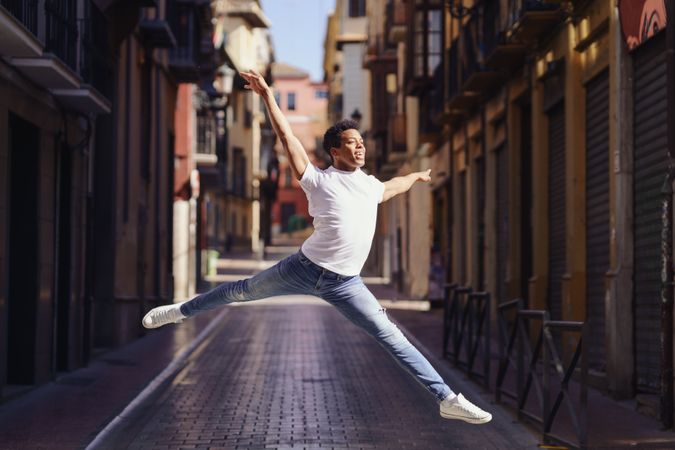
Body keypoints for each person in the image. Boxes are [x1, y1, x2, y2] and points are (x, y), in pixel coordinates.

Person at [143, 69, 492, 425]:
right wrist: (267, 96)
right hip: (303, 268)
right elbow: (286, 135)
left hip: (347, 284)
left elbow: (394, 186)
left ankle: (447, 399)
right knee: (241, 291)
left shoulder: (371, 186)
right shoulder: (317, 180)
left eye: (362, 142)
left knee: (394, 338)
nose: (360, 146)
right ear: (334, 151)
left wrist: (416, 177)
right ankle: (180, 311)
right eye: (352, 142)